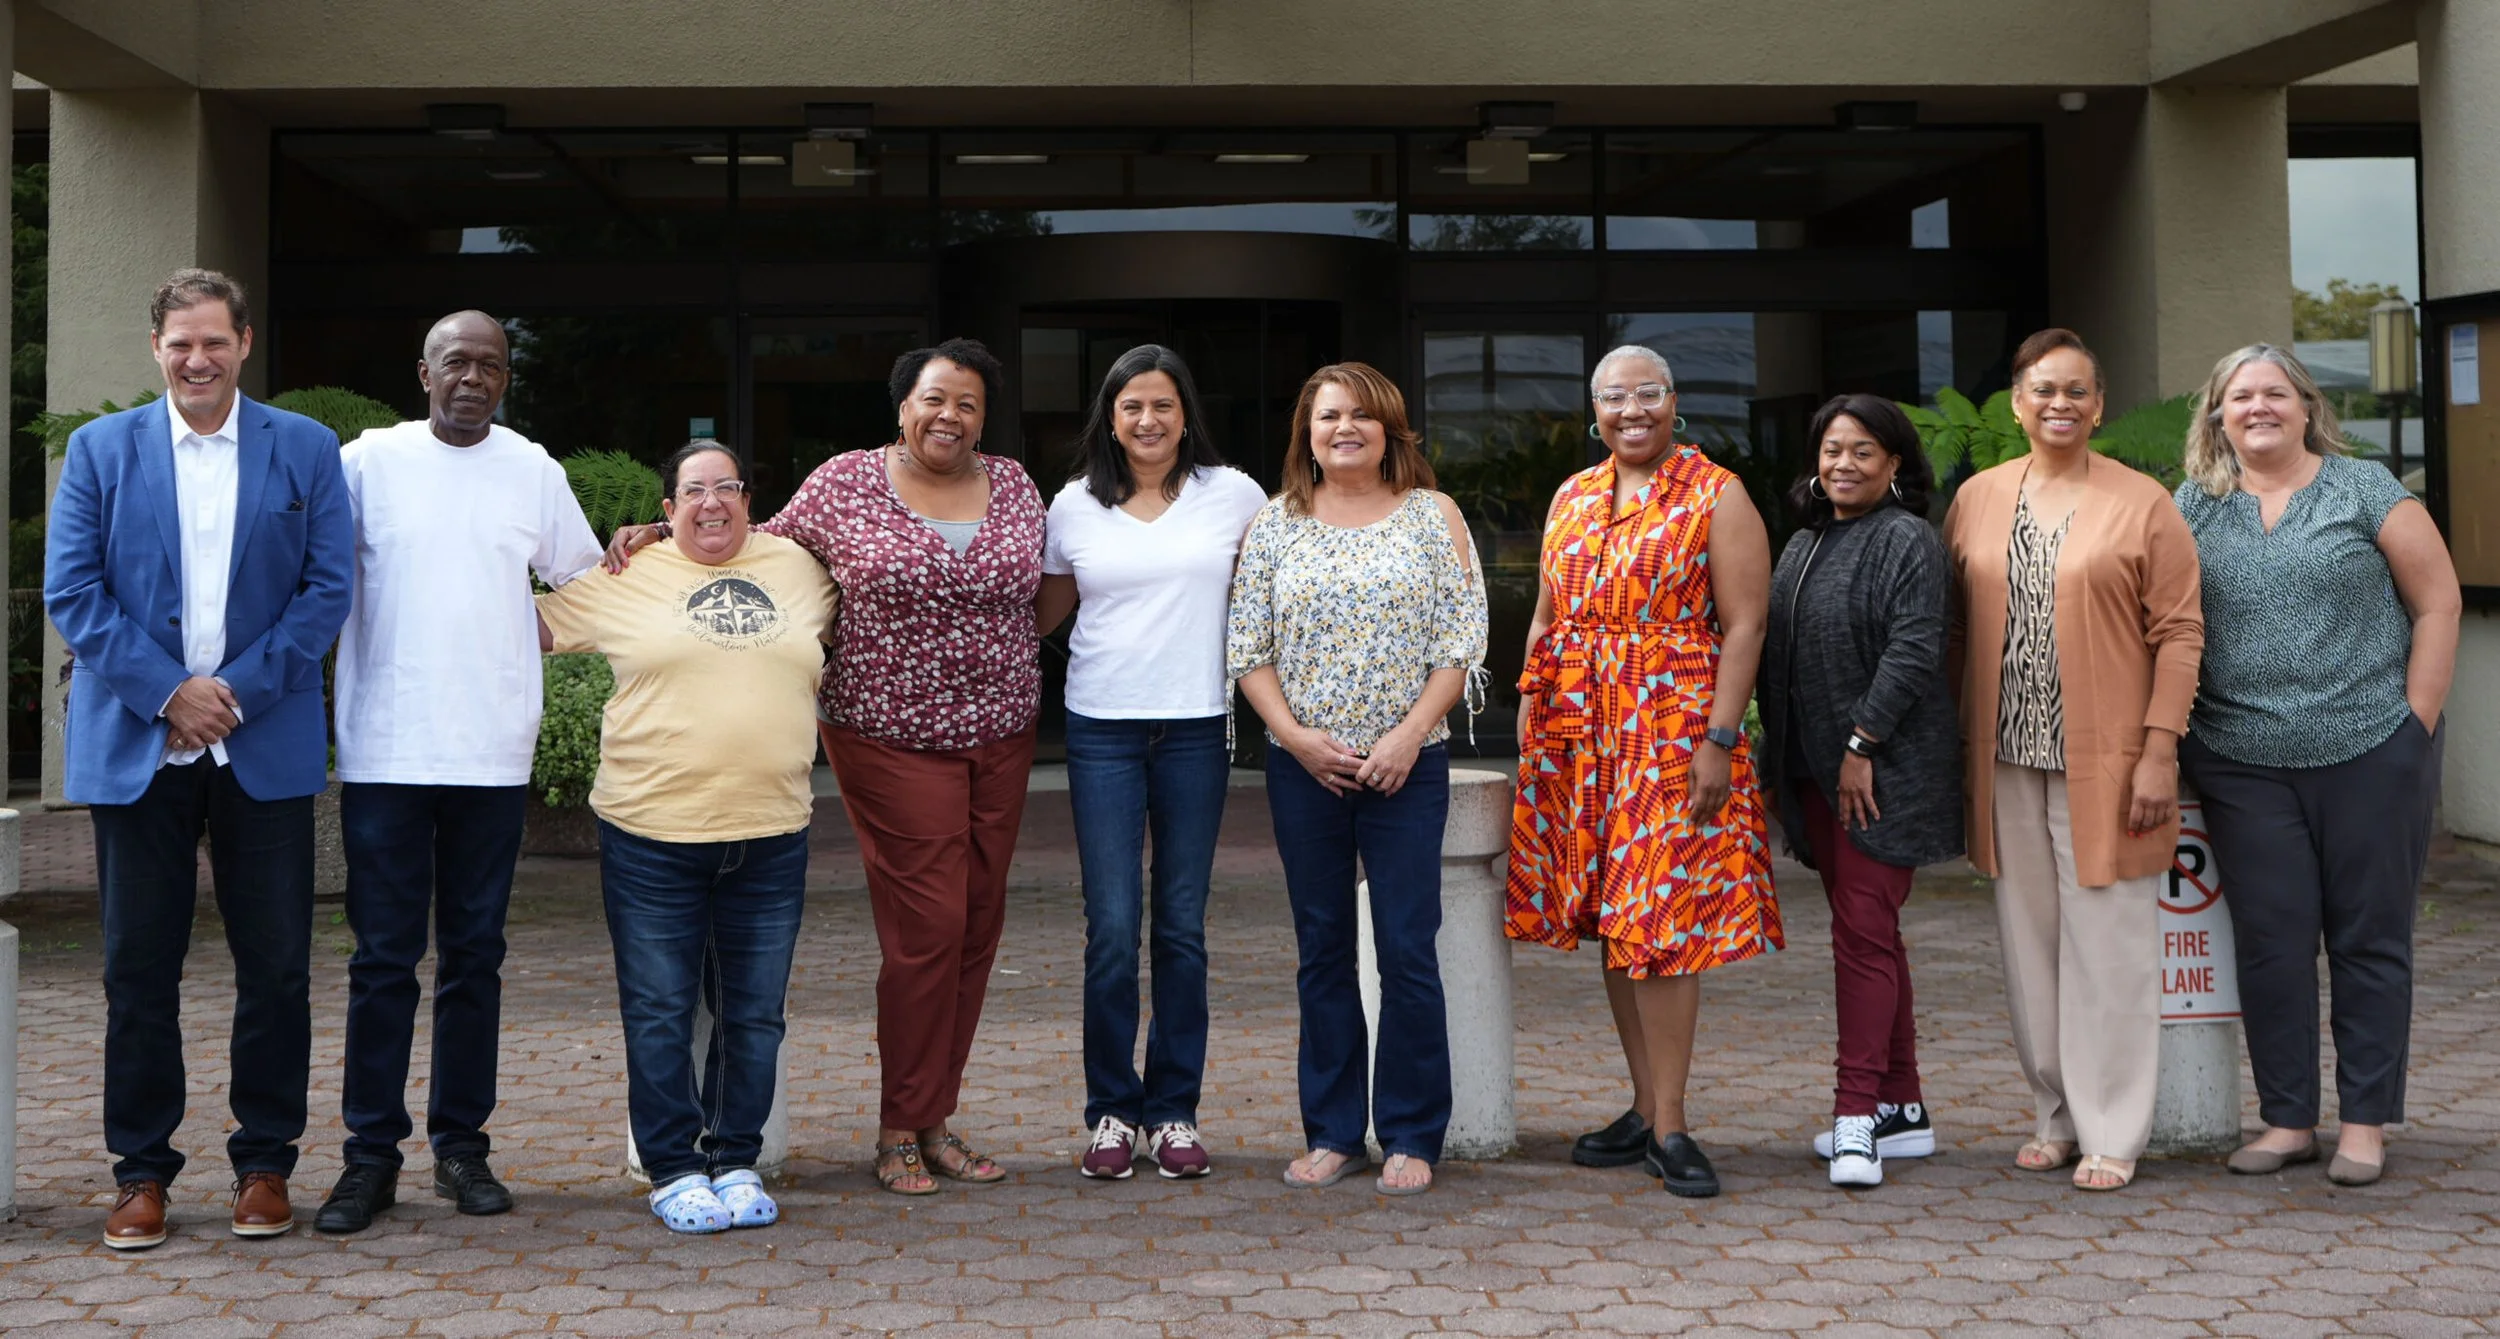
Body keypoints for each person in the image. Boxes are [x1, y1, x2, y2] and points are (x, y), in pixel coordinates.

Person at [607, 337, 1044, 1196]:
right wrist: (665, 528)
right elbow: (749, 541)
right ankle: (897, 1128)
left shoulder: (1017, 485)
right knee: (928, 928)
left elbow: (1046, 587)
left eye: (967, 403)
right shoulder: (846, 482)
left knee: (976, 928)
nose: (948, 415)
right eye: (933, 398)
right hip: (888, 730)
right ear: (901, 405)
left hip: (1001, 729)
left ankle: (935, 1118)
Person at [46, 268, 354, 1248]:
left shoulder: (304, 450)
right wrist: (166, 692)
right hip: (139, 747)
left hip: (260, 747)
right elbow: (74, 589)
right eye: (181, 342)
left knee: (277, 970)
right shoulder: (102, 450)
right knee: (138, 970)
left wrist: (233, 697)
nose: (197, 358)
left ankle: (265, 1164)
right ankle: (141, 1172)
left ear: (245, 343)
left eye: (214, 341)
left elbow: (327, 589)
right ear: (156, 348)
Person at [316, 310, 606, 1233]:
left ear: (507, 380)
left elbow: (584, 583)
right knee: (382, 960)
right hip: (387, 750)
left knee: (475, 957)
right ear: (424, 372)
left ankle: (462, 1147)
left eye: (488, 365)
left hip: (490, 752)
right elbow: (314, 578)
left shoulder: (534, 469)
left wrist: (525, 641)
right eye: (455, 362)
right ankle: (369, 1158)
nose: (471, 378)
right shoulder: (366, 463)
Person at [2173, 345, 2460, 1187]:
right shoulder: (2194, 504)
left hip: (2372, 749)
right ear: (2218, 415)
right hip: (2241, 762)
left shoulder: (2365, 488)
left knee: (2369, 940)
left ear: (2305, 406)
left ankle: (2365, 1123)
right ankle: (2289, 1118)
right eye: (2239, 396)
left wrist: (2416, 724)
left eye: (2273, 393)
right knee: (2271, 943)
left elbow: (2438, 602)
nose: (2257, 407)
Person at [537, 442, 836, 1232]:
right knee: (660, 1008)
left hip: (771, 834)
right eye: (693, 491)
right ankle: (673, 1166)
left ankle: (735, 1156)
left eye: (728, 487)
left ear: (749, 498)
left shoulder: (802, 567)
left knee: (754, 1013)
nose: (713, 502)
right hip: (651, 834)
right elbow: (522, 623)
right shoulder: (627, 574)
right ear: (665, 510)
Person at [1506, 344, 1781, 1200]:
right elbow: (1549, 608)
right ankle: (1641, 1101)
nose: (1633, 411)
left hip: (1670, 729)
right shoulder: (1574, 494)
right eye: (1616, 397)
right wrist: (1527, 703)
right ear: (1595, 410)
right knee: (1617, 913)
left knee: (1661, 922)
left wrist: (1720, 738)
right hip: (1579, 730)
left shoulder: (1716, 492)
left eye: (1649, 393)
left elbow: (1745, 625)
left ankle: (1672, 1122)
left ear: (1674, 401)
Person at [1943, 327, 2203, 1193]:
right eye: (2044, 389)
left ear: (2100, 404)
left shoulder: (2143, 502)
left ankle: (2115, 1125)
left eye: (2078, 391)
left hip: (2111, 759)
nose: (2061, 404)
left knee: (2112, 942)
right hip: (2007, 757)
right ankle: (2055, 1111)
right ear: (2017, 402)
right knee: (2031, 944)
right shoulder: (1977, 497)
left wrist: (2161, 748)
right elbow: (1950, 630)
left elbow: (2179, 632)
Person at [1226, 361, 1486, 1198]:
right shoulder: (1276, 523)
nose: (1345, 428)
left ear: (1390, 430)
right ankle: (1335, 1130)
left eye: (1362, 416)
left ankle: (1412, 1130)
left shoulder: (1431, 515)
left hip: (1409, 765)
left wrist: (1409, 737)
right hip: (1310, 773)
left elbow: (1462, 642)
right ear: (1307, 430)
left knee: (1409, 950)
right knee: (1323, 951)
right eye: (1329, 415)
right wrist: (1296, 741)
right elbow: (1248, 650)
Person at [1035, 346, 1268, 1181]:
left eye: (1163, 405)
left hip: (1197, 728)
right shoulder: (1072, 505)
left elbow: (1282, 579)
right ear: (1109, 415)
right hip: (1101, 730)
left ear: (1185, 412)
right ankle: (1109, 1110)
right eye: (1131, 405)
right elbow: (1041, 614)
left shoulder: (1233, 493)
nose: (1147, 420)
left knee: (1179, 927)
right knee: (1110, 928)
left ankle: (1172, 1110)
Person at [1760, 394, 1961, 1189]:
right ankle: (1902, 1108)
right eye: (1832, 449)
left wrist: (1860, 744)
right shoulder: (1805, 541)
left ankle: (1855, 1119)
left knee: (1862, 935)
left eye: (1863, 451)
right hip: (1815, 771)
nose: (1843, 463)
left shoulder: (1907, 539)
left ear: (1896, 465)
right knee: (1869, 932)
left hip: (1881, 773)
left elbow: (1915, 650)